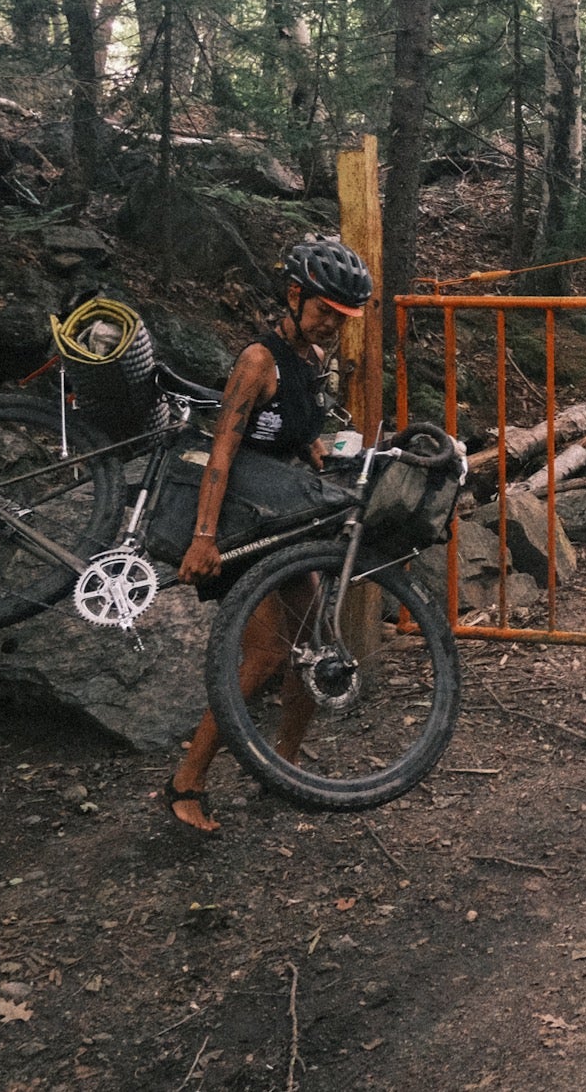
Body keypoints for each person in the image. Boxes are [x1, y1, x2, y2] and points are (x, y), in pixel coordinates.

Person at [161, 236, 372, 834]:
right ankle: (186, 782)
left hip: (279, 522)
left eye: (343, 317)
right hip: (235, 522)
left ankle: (285, 764)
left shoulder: (310, 362)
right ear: (295, 295)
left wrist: (325, 455)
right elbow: (223, 447)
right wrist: (204, 537)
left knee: (316, 646)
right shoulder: (261, 360)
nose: (332, 324)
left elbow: (293, 438)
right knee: (269, 653)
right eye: (325, 310)